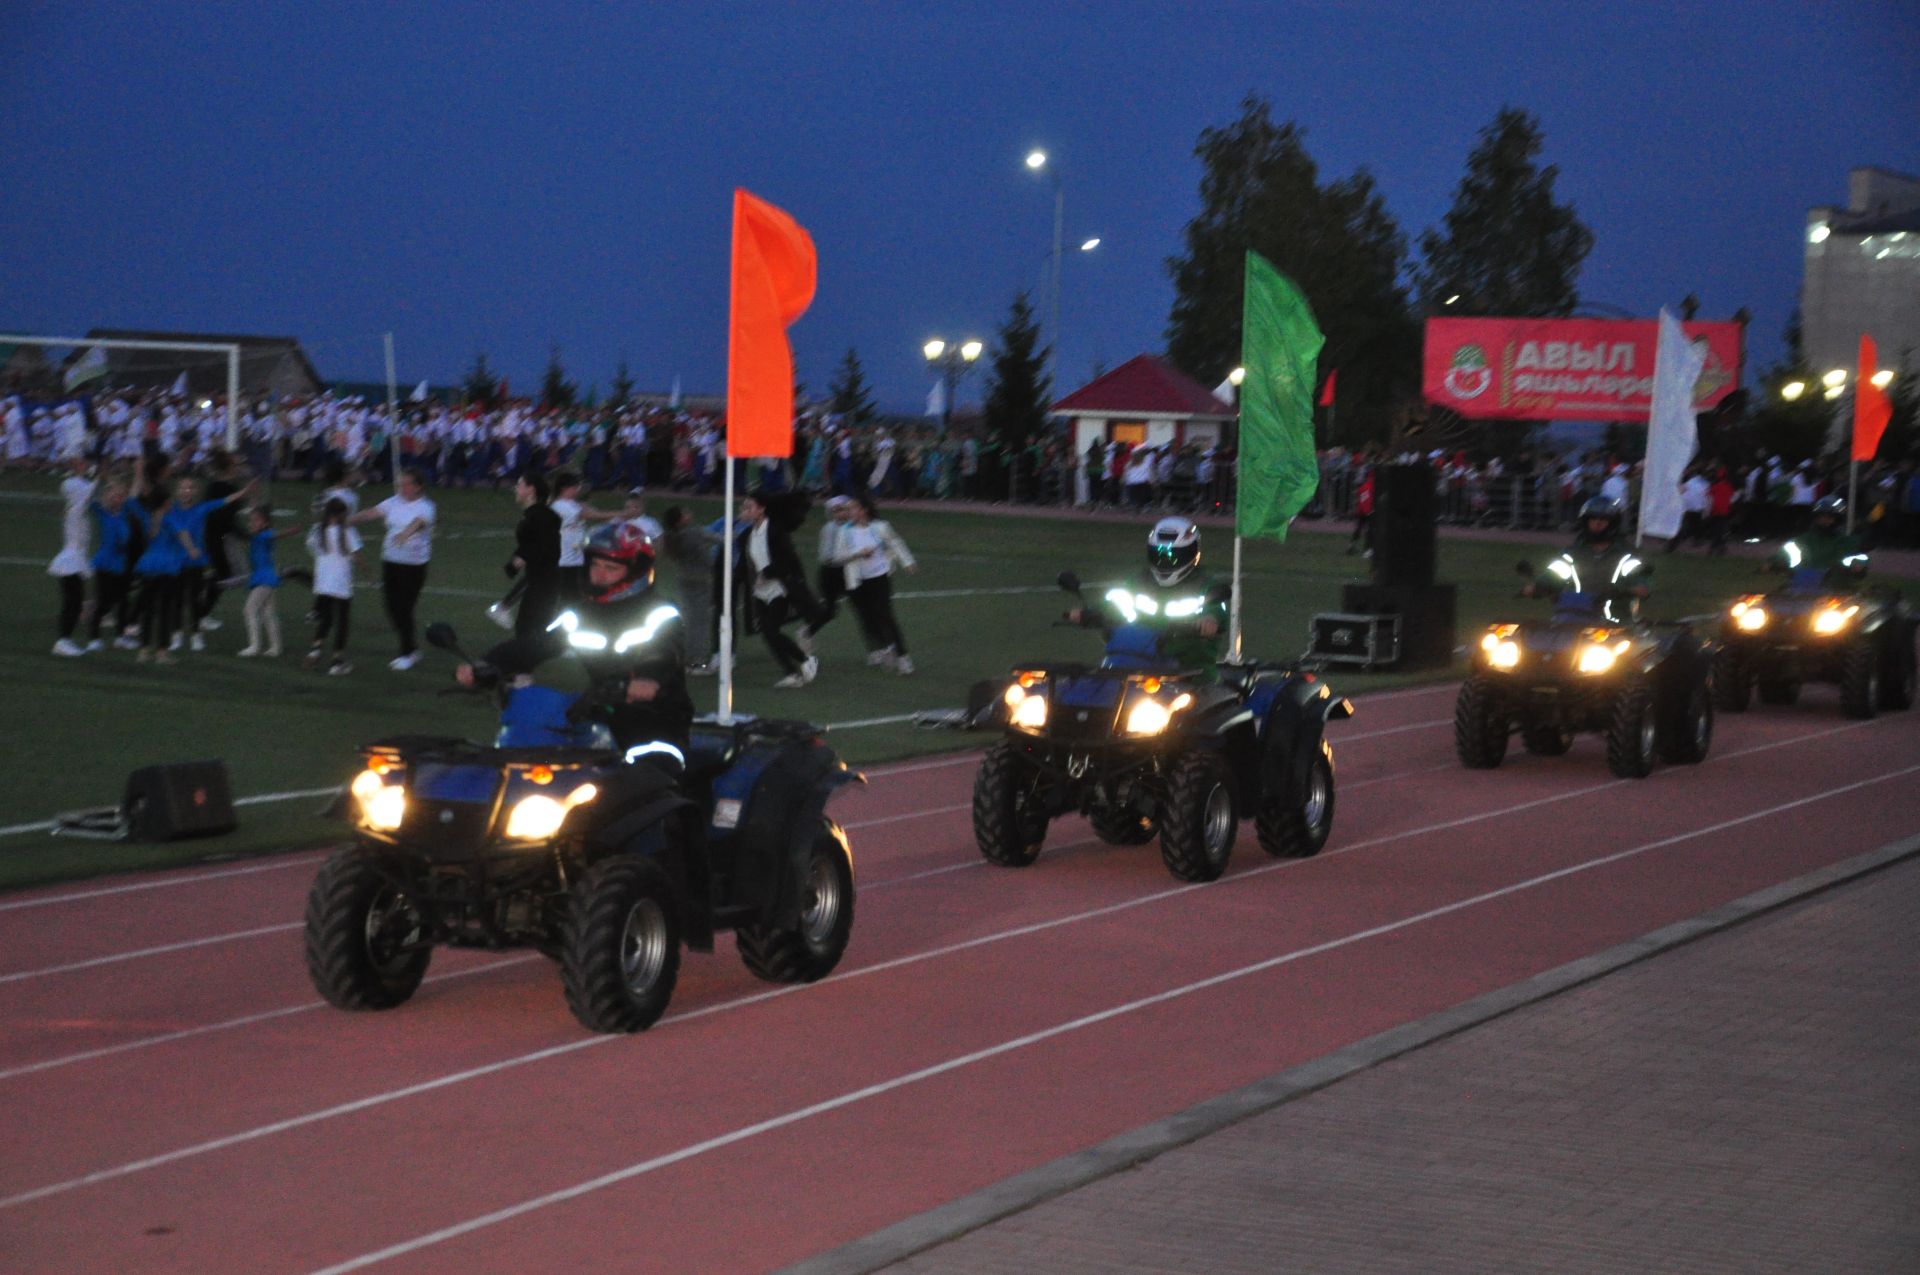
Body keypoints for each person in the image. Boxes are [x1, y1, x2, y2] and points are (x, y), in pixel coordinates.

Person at [457, 522, 693, 770]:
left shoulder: (660, 613)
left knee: (651, 779)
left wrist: (647, 681)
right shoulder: (580, 614)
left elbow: (663, 655)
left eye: (610, 568)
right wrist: (486, 664)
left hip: (656, 718)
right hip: (600, 710)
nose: (599, 574)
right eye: (595, 565)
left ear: (635, 574)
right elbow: (535, 646)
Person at [1066, 516, 1229, 682]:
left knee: (1191, 700)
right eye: (1159, 554)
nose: (1166, 560)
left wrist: (1209, 620)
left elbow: (1217, 609)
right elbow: (1115, 603)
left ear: (1193, 553)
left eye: (1174, 555)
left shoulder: (1206, 586)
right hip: (1133, 663)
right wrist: (1089, 613)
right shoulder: (1139, 582)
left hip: (1188, 672)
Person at [348, 467, 436, 670]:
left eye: (406, 484)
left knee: (404, 608)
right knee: (392, 607)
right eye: (400, 483)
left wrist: (406, 533)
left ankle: (407, 653)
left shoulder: (426, 506)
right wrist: (348, 520)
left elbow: (419, 522)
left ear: (418, 487)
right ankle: (412, 648)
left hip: (413, 566)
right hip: (391, 562)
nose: (401, 487)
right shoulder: (393, 502)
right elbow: (371, 513)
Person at [1523, 495, 1651, 622]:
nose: (1597, 523)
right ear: (1585, 522)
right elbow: (1552, 576)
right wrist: (1537, 587)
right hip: (1573, 620)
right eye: (1593, 519)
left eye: (1603, 519)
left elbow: (1642, 589)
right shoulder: (1571, 554)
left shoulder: (1627, 556)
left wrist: (1620, 591)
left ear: (1613, 523)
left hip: (1615, 625)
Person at [739, 490, 818, 688]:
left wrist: (766, 574)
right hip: (760, 591)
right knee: (767, 633)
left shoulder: (774, 531)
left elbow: (787, 561)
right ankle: (792, 673)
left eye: (749, 507)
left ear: (761, 509)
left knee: (771, 631)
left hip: (779, 588)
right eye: (744, 507)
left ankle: (806, 660)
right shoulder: (748, 534)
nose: (745, 511)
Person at [839, 496, 917, 674]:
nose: (848, 513)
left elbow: (895, 543)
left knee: (886, 616)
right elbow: (839, 556)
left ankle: (903, 658)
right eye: (847, 509)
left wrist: (907, 561)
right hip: (857, 581)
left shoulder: (880, 527)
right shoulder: (844, 531)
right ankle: (885, 647)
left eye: (852, 509)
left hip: (880, 577)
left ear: (863, 510)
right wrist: (859, 554)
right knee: (868, 617)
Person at [500, 472, 563, 642]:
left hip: (544, 579)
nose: (515, 488)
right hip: (539, 578)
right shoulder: (534, 515)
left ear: (531, 490)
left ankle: (527, 664)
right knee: (529, 627)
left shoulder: (540, 516)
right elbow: (532, 543)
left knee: (529, 628)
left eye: (520, 485)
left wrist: (521, 558)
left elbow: (542, 545)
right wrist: (517, 559)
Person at [659, 506, 721, 674]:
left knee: (689, 620)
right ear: (680, 520)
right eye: (685, 513)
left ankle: (686, 659)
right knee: (700, 623)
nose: (689, 514)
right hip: (701, 581)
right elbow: (721, 540)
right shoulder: (694, 533)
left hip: (684, 580)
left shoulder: (671, 538)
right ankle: (697, 662)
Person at [305, 497, 362, 675]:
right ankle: (337, 662)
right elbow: (356, 555)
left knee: (326, 618)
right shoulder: (347, 531)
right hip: (341, 583)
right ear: (341, 514)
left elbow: (312, 548)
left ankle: (315, 649)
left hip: (323, 582)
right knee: (342, 621)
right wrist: (369, 572)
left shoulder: (317, 530)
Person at [48, 458, 96, 657]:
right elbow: (88, 494)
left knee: (74, 602)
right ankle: (63, 641)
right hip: (71, 561)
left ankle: (65, 640)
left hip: (72, 561)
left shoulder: (72, 509)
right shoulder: (76, 509)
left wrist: (82, 474)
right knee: (73, 603)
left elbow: (85, 494)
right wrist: (99, 475)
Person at [87, 474, 141, 650]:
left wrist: (137, 472)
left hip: (121, 565)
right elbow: (89, 498)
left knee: (124, 601)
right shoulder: (102, 512)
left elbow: (134, 493)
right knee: (104, 602)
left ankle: (121, 637)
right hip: (105, 564)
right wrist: (98, 480)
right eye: (112, 495)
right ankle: (94, 638)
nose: (115, 498)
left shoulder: (126, 513)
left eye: (119, 496)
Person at [236, 504, 294, 657]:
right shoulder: (256, 536)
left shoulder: (264, 534)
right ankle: (276, 647)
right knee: (269, 613)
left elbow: (275, 535)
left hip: (265, 578)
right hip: (266, 576)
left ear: (265, 523)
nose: (251, 523)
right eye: (250, 520)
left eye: (256, 520)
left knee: (249, 609)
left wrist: (290, 531)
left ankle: (255, 646)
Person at [1768, 495, 1868, 579]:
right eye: (1820, 517)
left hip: (1835, 591)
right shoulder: (1801, 540)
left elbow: (1860, 560)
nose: (1824, 520)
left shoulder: (1848, 542)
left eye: (1829, 517)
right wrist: (1772, 563)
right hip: (1800, 588)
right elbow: (1781, 556)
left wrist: (1858, 566)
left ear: (1838, 520)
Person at [549, 469, 588, 601]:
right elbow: (585, 514)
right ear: (565, 488)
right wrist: (619, 514)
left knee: (573, 596)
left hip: (574, 557)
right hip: (564, 560)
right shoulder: (560, 505)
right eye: (576, 487)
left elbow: (587, 510)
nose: (578, 490)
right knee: (568, 597)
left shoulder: (571, 503)